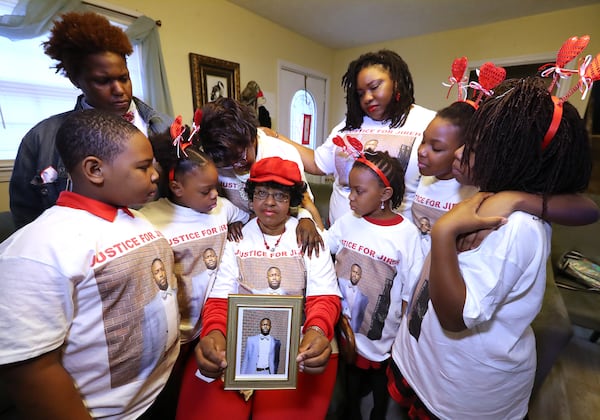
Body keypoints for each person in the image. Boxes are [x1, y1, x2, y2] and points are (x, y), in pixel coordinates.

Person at [388, 77, 593, 419]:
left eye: (474, 149)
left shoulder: (517, 228)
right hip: (424, 361)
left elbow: (455, 318)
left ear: (511, 160)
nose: (458, 154)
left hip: (460, 391)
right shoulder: (479, 189)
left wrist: (444, 232)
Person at [0, 110, 179, 419]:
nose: (155, 175)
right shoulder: (36, 250)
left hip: (160, 392)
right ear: (95, 169)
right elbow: (29, 370)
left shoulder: (135, 218)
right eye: (143, 166)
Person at [176, 156, 341, 420]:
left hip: (295, 344)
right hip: (239, 343)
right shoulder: (236, 238)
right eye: (261, 193)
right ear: (251, 197)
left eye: (281, 195)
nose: (270, 202)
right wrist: (215, 332)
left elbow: (324, 296)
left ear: (292, 201)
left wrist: (317, 329)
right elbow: (220, 298)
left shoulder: (308, 237)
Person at [9, 11, 172, 229]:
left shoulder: (168, 129)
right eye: (102, 81)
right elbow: (26, 219)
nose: (119, 90)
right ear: (76, 80)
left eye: (124, 78)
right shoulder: (41, 139)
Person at [274, 49, 436, 225]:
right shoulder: (350, 124)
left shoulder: (427, 123)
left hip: (394, 244)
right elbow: (317, 163)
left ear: (396, 83)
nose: (367, 97)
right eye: (360, 93)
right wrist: (274, 136)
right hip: (341, 239)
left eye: (374, 87)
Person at [323, 150, 423, 420]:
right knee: (349, 391)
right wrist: (307, 223)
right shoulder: (348, 221)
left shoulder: (406, 235)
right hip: (345, 333)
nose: (351, 198)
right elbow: (322, 246)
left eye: (358, 191)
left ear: (385, 194)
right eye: (349, 189)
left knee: (380, 400)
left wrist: (401, 340)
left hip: (382, 341)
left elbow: (409, 293)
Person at [140, 127, 249, 346]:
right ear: (176, 188)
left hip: (213, 323)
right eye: (205, 190)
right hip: (174, 334)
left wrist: (237, 224)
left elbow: (248, 218)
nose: (215, 194)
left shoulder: (223, 208)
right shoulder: (149, 220)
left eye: (216, 187)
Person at [412, 101, 479, 249]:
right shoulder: (425, 177)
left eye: (436, 148)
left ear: (462, 150)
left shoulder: (472, 193)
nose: (421, 151)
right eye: (423, 141)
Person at [338, 264, 368, 332]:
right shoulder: (340, 282)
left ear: (360, 277)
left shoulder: (363, 298)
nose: (354, 275)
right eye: (353, 272)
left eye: (357, 273)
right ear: (350, 272)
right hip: (337, 323)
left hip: (351, 331)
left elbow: (359, 319)